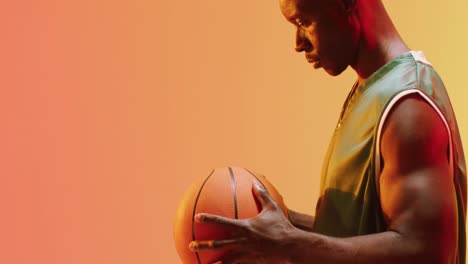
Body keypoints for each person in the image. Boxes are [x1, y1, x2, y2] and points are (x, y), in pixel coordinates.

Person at [189, 0, 467, 263]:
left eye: (303, 21)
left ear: (345, 3)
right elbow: (357, 234)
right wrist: (282, 226)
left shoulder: (408, 105)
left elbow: (424, 252)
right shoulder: (371, 89)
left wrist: (288, 242)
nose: (298, 43)